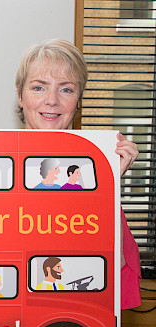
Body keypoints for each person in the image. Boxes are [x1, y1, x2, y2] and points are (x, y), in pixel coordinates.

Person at [16, 39, 140, 308]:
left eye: (66, 90)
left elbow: (114, 270)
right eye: (39, 87)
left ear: (78, 100)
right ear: (20, 95)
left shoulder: (93, 171)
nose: (52, 101)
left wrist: (108, 187)